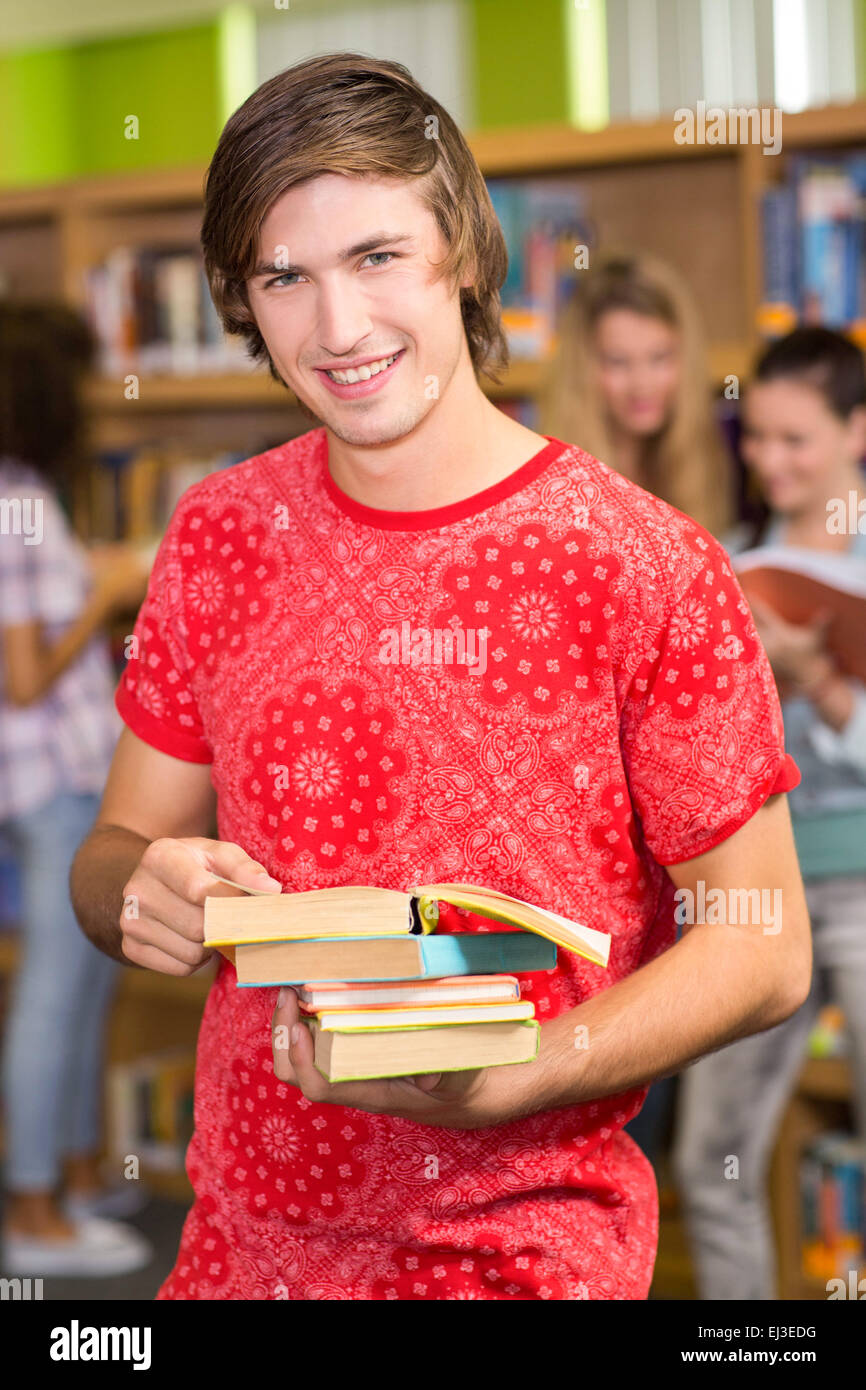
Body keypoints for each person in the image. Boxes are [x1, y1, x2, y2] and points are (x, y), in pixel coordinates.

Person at [71, 53, 810, 1302]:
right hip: (239, 1244)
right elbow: (116, 848)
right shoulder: (216, 533)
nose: (338, 328)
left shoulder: (645, 565)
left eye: (375, 258)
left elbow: (764, 944)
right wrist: (133, 889)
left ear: (463, 250)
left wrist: (529, 1070)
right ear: (244, 302)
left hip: (522, 1249)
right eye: (283, 277)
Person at [672, 327, 866, 1300]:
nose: (769, 461)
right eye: (756, 439)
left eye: (796, 441)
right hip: (756, 884)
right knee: (712, 1151)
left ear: (855, 433)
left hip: (862, 880)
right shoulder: (722, 567)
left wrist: (819, 681)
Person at [0, 302, 152, 1276]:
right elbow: (21, 676)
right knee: (56, 992)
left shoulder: (27, 492)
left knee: (92, 974)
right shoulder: (11, 495)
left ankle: (76, 1167)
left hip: (77, 781)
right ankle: (32, 1212)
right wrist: (106, 590)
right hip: (49, 786)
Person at [541, 252, 734, 536]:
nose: (642, 385)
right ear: (583, 371)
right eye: (617, 361)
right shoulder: (556, 482)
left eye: (659, 358)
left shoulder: (717, 454)